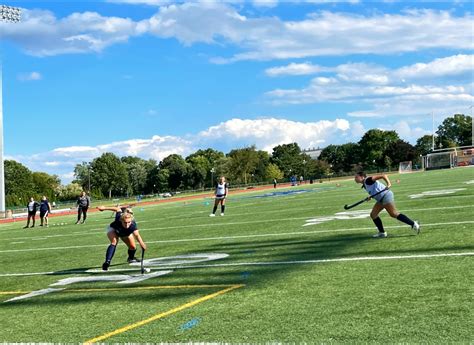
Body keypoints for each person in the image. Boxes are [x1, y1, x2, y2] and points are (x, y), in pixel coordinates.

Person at [354, 171, 420, 238]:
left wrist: (389, 184)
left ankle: (414, 224)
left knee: (393, 214)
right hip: (380, 199)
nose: (355, 179)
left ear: (362, 177)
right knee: (373, 214)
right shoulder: (365, 185)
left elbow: (383, 175)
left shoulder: (368, 180)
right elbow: (375, 189)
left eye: (356, 177)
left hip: (385, 196)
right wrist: (370, 196)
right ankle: (382, 233)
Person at [97, 205, 146, 271]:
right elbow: (117, 209)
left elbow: (137, 235)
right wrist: (104, 208)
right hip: (114, 229)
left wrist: (142, 243)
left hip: (125, 233)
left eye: (129, 222)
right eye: (125, 223)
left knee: (133, 247)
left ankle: (131, 258)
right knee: (114, 242)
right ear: (121, 220)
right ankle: (107, 262)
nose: (127, 225)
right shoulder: (119, 217)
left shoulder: (132, 225)